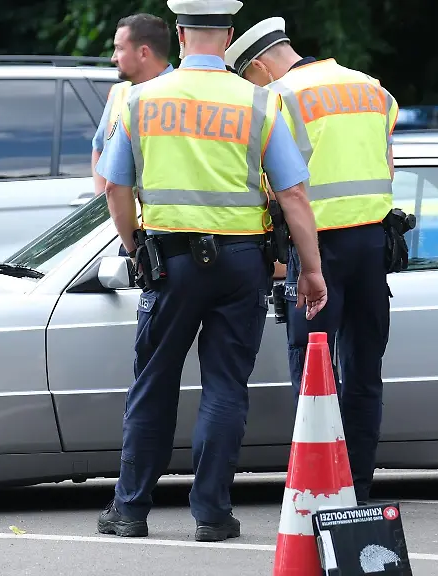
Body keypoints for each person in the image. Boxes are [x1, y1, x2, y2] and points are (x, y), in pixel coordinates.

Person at [94, 0, 327, 543]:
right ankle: (212, 514)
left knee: (153, 383)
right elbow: (292, 193)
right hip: (242, 264)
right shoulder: (258, 101)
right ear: (227, 39)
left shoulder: (141, 100)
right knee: (226, 386)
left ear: (179, 35)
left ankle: (129, 511)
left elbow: (115, 187)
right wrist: (310, 270)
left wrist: (135, 249)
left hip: (170, 262)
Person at [225, 16, 400, 505]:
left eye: (248, 78)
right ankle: (359, 490)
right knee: (365, 375)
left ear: (259, 64)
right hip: (372, 247)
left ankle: (323, 490)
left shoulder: (279, 97)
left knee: (314, 378)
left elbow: (273, 184)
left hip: (316, 252)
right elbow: (387, 166)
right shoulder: (373, 90)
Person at [92, 13, 175, 198]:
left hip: (162, 221)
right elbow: (99, 149)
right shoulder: (118, 93)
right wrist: (103, 204)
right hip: (124, 219)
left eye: (119, 49)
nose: (113, 57)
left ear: (143, 52)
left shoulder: (182, 94)